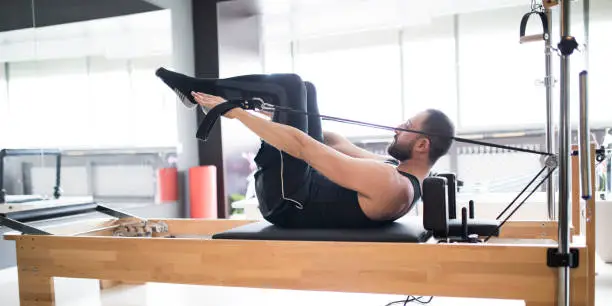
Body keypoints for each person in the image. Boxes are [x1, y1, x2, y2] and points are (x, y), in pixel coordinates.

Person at [155, 68, 455, 229]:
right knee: (304, 89)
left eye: (406, 125)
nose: (397, 127)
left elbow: (304, 148)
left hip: (287, 201)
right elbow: (334, 141)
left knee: (287, 85)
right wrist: (279, 115)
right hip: (299, 189)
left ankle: (194, 88)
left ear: (422, 144)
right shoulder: (397, 174)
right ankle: (196, 91)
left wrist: (235, 113)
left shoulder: (392, 184)